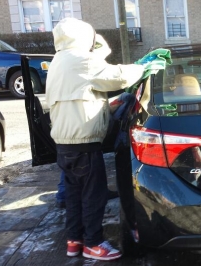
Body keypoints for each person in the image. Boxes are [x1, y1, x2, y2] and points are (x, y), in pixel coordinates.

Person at [46, 18, 145, 261]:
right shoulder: (82, 60)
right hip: (84, 144)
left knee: (74, 196)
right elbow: (119, 76)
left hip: (64, 144)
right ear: (83, 37)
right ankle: (93, 243)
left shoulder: (60, 60)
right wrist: (143, 67)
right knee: (94, 195)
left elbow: (82, 96)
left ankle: (74, 241)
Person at [54, 34, 119, 210]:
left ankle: (65, 198)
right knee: (91, 193)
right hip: (80, 132)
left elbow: (103, 50)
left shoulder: (60, 60)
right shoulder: (81, 61)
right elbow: (114, 72)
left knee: (71, 175)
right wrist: (92, 36)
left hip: (64, 131)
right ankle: (91, 234)